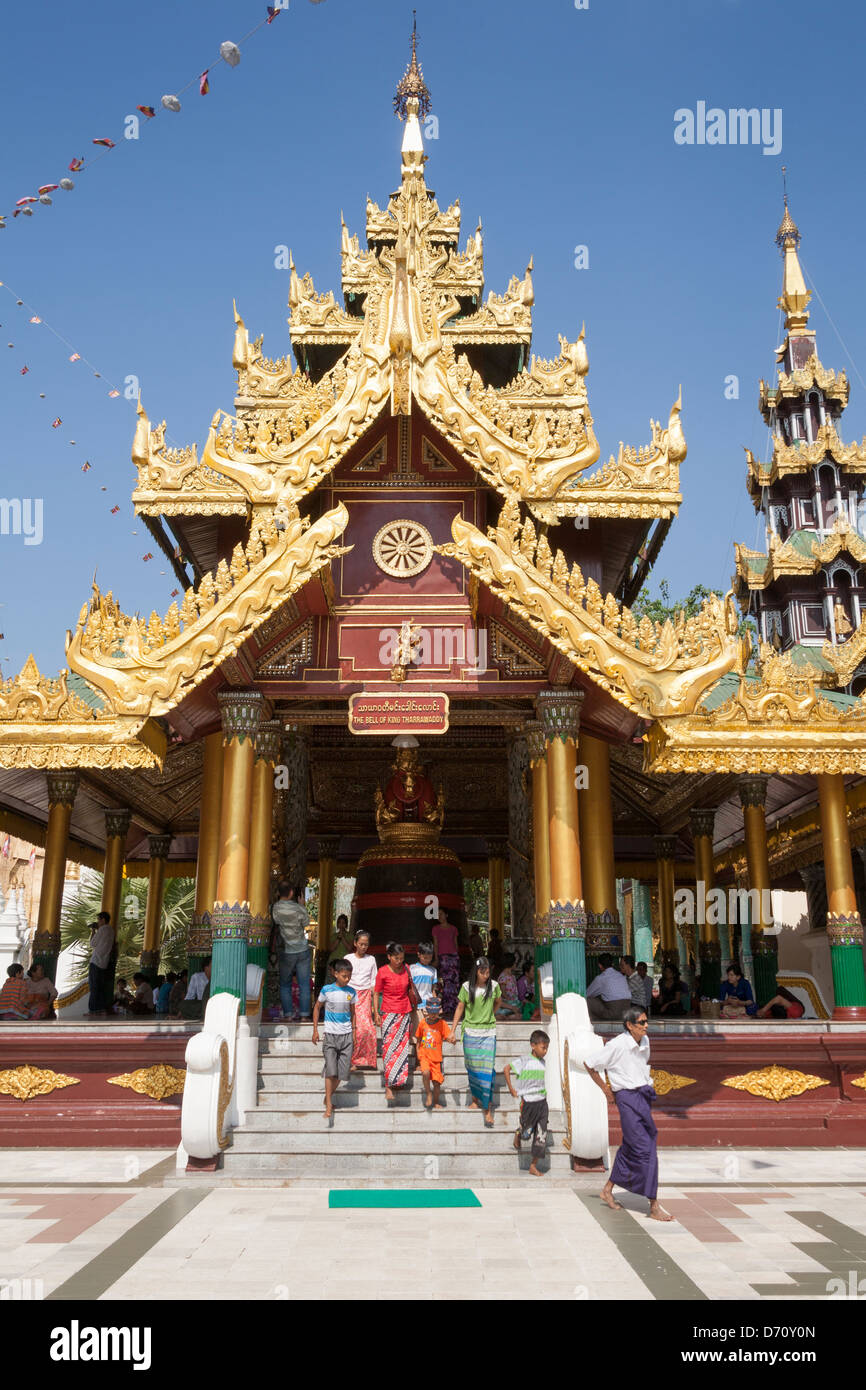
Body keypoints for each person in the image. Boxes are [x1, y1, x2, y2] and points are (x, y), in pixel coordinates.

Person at [584, 1006, 672, 1222]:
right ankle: (653, 1204)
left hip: (643, 1096)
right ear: (629, 1025)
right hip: (626, 1097)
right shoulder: (617, 1045)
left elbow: (642, 1066)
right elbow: (590, 1064)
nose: (646, 1026)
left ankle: (608, 1189)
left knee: (634, 1145)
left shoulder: (645, 1041)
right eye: (641, 1023)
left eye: (646, 1021)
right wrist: (607, 1091)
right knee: (645, 1150)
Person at [451, 956, 501, 1125]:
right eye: (483, 973)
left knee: (486, 1071)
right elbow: (460, 1008)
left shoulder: (494, 986)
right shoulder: (466, 987)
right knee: (472, 1069)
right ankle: (475, 1098)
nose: (486, 976)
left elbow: (498, 1002)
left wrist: (490, 1015)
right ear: (476, 972)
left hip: (488, 1032)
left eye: (488, 973)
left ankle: (486, 1109)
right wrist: (452, 1030)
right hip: (470, 1032)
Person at [312, 958, 356, 1120]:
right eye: (344, 976)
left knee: (342, 1074)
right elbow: (317, 1007)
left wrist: (354, 1031)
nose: (347, 979)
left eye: (349, 976)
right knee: (331, 1072)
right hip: (330, 1035)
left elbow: (353, 1013)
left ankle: (327, 1096)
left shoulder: (352, 992)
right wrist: (315, 1030)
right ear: (335, 974)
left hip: (346, 1036)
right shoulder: (326, 990)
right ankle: (329, 1104)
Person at [374, 943, 418, 1101]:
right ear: (389, 957)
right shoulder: (382, 972)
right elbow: (376, 992)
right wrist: (376, 1012)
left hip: (404, 1012)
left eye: (401, 958)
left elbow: (410, 988)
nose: (399, 961)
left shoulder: (406, 968)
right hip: (388, 1013)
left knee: (401, 1049)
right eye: (396, 958)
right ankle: (388, 1085)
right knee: (388, 1049)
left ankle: (398, 1081)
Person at [505, 1029, 550, 1177]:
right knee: (526, 1134)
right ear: (533, 1045)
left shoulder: (543, 1063)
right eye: (543, 1047)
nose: (545, 1051)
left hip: (542, 1103)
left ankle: (533, 1165)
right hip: (528, 1103)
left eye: (547, 1048)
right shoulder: (524, 1060)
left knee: (541, 1135)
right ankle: (519, 1132)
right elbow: (506, 1069)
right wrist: (512, 1089)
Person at [272, 881, 312, 1021]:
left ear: (279, 893)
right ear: (291, 893)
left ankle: (288, 1015)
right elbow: (306, 924)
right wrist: (302, 905)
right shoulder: (298, 908)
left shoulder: (276, 908)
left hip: (288, 951)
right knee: (304, 984)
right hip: (302, 950)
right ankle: (304, 1016)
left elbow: (276, 921)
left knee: (285, 984)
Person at [345, 930, 378, 1069]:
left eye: (366, 944)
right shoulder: (348, 958)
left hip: (365, 996)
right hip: (350, 995)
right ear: (355, 943)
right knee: (353, 1029)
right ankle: (353, 1060)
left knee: (367, 1029)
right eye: (361, 944)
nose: (364, 947)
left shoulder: (371, 959)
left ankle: (367, 1059)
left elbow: (373, 983)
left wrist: (375, 1009)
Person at [414, 994, 454, 1109]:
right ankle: (428, 1094)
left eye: (435, 1012)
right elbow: (418, 1039)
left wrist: (452, 1040)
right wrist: (418, 1055)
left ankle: (436, 1102)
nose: (433, 1015)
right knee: (425, 1073)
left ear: (439, 1012)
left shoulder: (442, 1024)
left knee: (437, 1083)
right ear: (427, 1011)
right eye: (431, 1012)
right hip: (424, 1056)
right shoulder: (422, 1023)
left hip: (436, 1059)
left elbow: (448, 1036)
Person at [586, 952, 631, 1021]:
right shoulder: (621, 975)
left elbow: (587, 994)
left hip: (614, 1014)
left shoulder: (601, 978)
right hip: (627, 1012)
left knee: (587, 1001)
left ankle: (594, 1024)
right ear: (612, 964)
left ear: (600, 965)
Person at [432, 906, 460, 1018]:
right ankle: (446, 1007)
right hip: (442, 957)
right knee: (446, 983)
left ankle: (454, 1006)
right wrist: (436, 958)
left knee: (455, 982)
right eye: (438, 914)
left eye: (442, 914)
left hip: (454, 957)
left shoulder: (453, 929)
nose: (440, 916)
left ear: (446, 915)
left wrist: (457, 957)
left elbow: (455, 943)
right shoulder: (435, 929)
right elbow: (436, 944)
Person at [87, 910, 115, 1017]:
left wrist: (93, 931)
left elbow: (92, 943)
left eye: (98, 920)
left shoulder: (102, 929)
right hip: (104, 962)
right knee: (101, 987)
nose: (97, 922)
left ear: (103, 920)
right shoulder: (111, 930)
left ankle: (93, 1010)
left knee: (94, 987)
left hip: (96, 961)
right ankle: (101, 1009)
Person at [496, 953, 522, 1019]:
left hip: (514, 1000)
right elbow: (503, 992)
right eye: (515, 962)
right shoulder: (503, 977)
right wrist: (509, 1001)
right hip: (508, 1002)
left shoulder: (512, 976)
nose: (516, 964)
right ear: (511, 963)